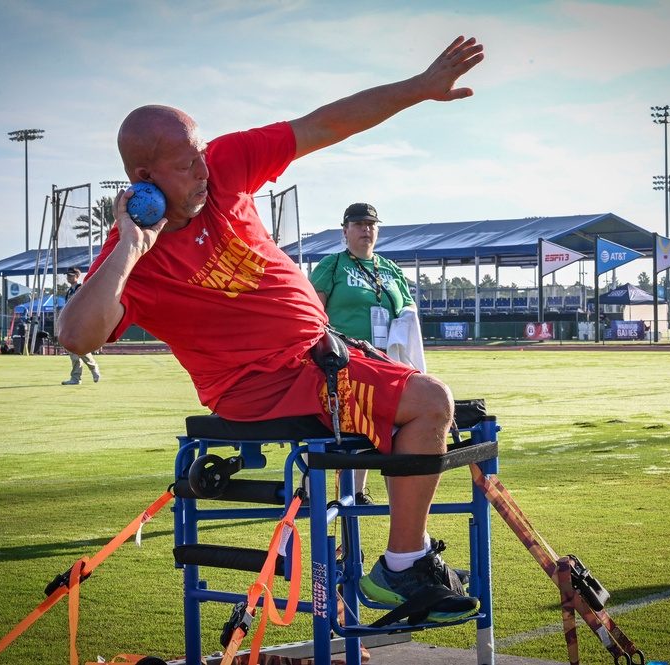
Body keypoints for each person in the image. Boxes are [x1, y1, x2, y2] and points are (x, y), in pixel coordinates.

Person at [59, 36, 484, 622]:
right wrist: (132, 242)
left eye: (201, 154)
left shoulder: (225, 167)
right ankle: (402, 569)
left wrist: (418, 88)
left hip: (322, 358)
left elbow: (323, 125)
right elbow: (75, 336)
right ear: (144, 178)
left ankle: (404, 561)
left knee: (446, 411)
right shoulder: (135, 259)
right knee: (430, 401)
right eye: (187, 166)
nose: (205, 171)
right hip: (260, 387)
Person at [310, 202, 422, 506]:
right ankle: (310, 492)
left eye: (371, 224)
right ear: (345, 230)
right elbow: (312, 312)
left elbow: (407, 307)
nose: (365, 229)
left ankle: (357, 492)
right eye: (358, 224)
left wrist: (407, 316)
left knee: (375, 425)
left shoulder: (390, 268)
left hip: (385, 360)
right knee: (338, 425)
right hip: (343, 360)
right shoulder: (332, 265)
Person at [60, 267, 101, 385]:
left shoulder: (81, 288)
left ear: (77, 276)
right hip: (71, 324)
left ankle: (93, 367)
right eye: (68, 275)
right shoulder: (69, 291)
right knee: (72, 352)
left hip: (80, 323)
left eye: (71, 275)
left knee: (79, 348)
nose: (68, 277)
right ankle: (75, 378)